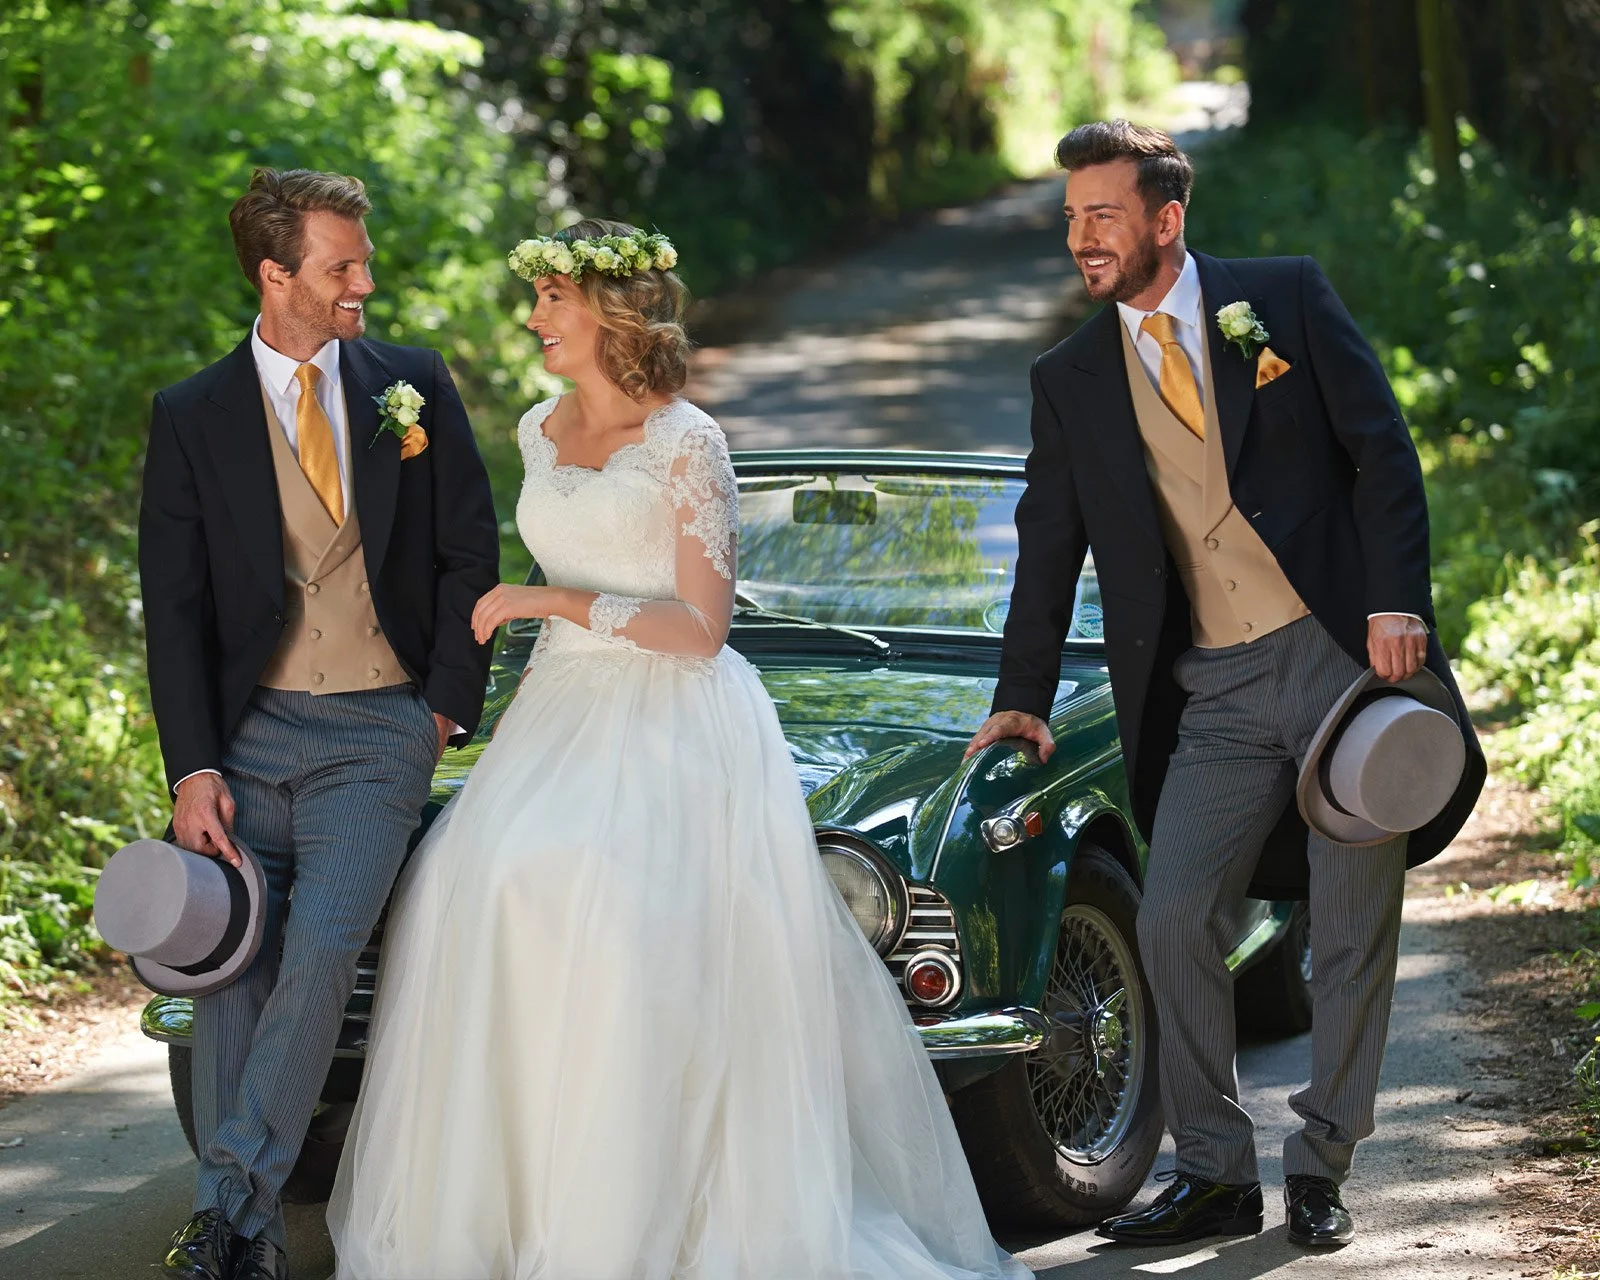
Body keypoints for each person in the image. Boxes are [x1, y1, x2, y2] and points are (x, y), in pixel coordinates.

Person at [326, 219, 1029, 1280]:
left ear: (612, 314)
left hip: (672, 712)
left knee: (613, 921)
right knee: (476, 882)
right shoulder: (536, 426)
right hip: (562, 706)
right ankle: (515, 1206)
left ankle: (645, 1213)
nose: (532, 321)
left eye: (551, 302)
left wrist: (542, 597)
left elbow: (701, 627)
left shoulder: (687, 439)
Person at [965, 122, 1484, 1249]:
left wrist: (1398, 602)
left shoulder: (1279, 300)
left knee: (1351, 928)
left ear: (1166, 218)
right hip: (1217, 685)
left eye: (1100, 214)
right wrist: (1023, 691)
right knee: (1172, 914)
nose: (1079, 237)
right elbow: (1046, 543)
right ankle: (1211, 1166)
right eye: (1068, 217)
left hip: (1343, 660)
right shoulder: (1070, 376)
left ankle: (1320, 1164)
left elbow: (1379, 448)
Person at [139, 167, 500, 1280]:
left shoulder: (413, 385)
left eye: (363, 259)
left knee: (321, 952)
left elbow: (467, 549)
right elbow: (178, 606)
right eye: (342, 264)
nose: (366, 282)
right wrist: (191, 766)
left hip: (375, 734)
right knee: (231, 972)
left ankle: (227, 1202)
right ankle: (237, 1233)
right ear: (275, 274)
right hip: (245, 740)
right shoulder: (193, 413)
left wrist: (440, 703)